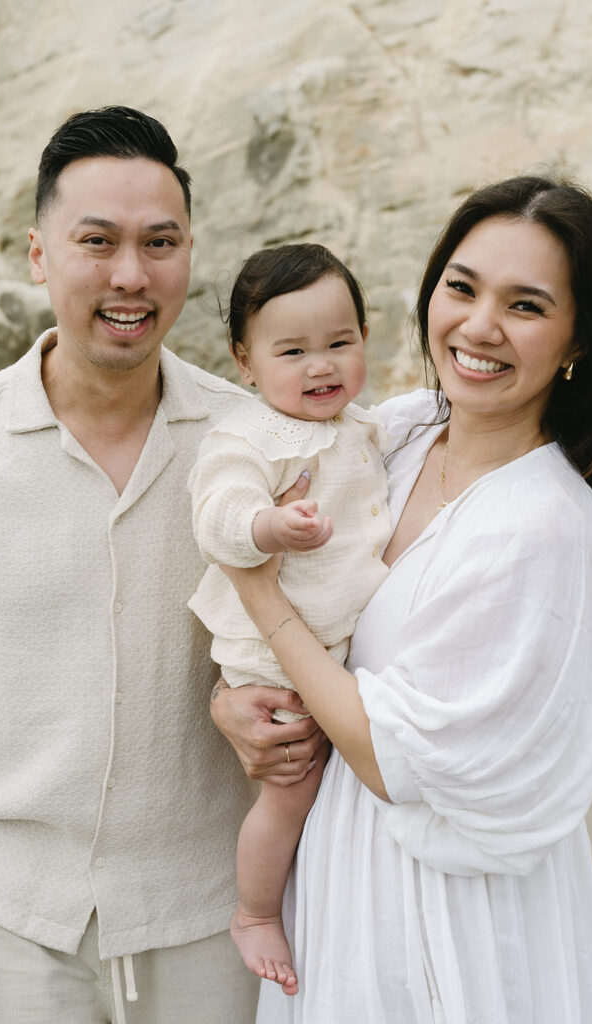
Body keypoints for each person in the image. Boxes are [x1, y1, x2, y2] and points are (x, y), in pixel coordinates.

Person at [211, 175, 592, 1022]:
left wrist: (257, 598)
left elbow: (382, 752)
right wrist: (231, 699)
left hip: (449, 909)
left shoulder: (541, 523)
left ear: (576, 339)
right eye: (462, 287)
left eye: (525, 305)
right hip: (336, 869)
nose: (478, 327)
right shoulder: (396, 434)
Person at [0, 105, 323, 1024]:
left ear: (191, 252)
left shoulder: (255, 441)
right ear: (39, 253)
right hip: (7, 918)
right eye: (96, 241)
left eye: (161, 243)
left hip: (213, 918)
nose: (131, 275)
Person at [188, 243, 392, 993]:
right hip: (273, 654)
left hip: (329, 640)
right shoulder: (246, 437)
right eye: (292, 350)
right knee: (293, 785)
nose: (320, 366)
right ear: (244, 362)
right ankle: (255, 911)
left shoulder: (364, 426)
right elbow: (217, 515)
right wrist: (267, 529)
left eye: (339, 343)